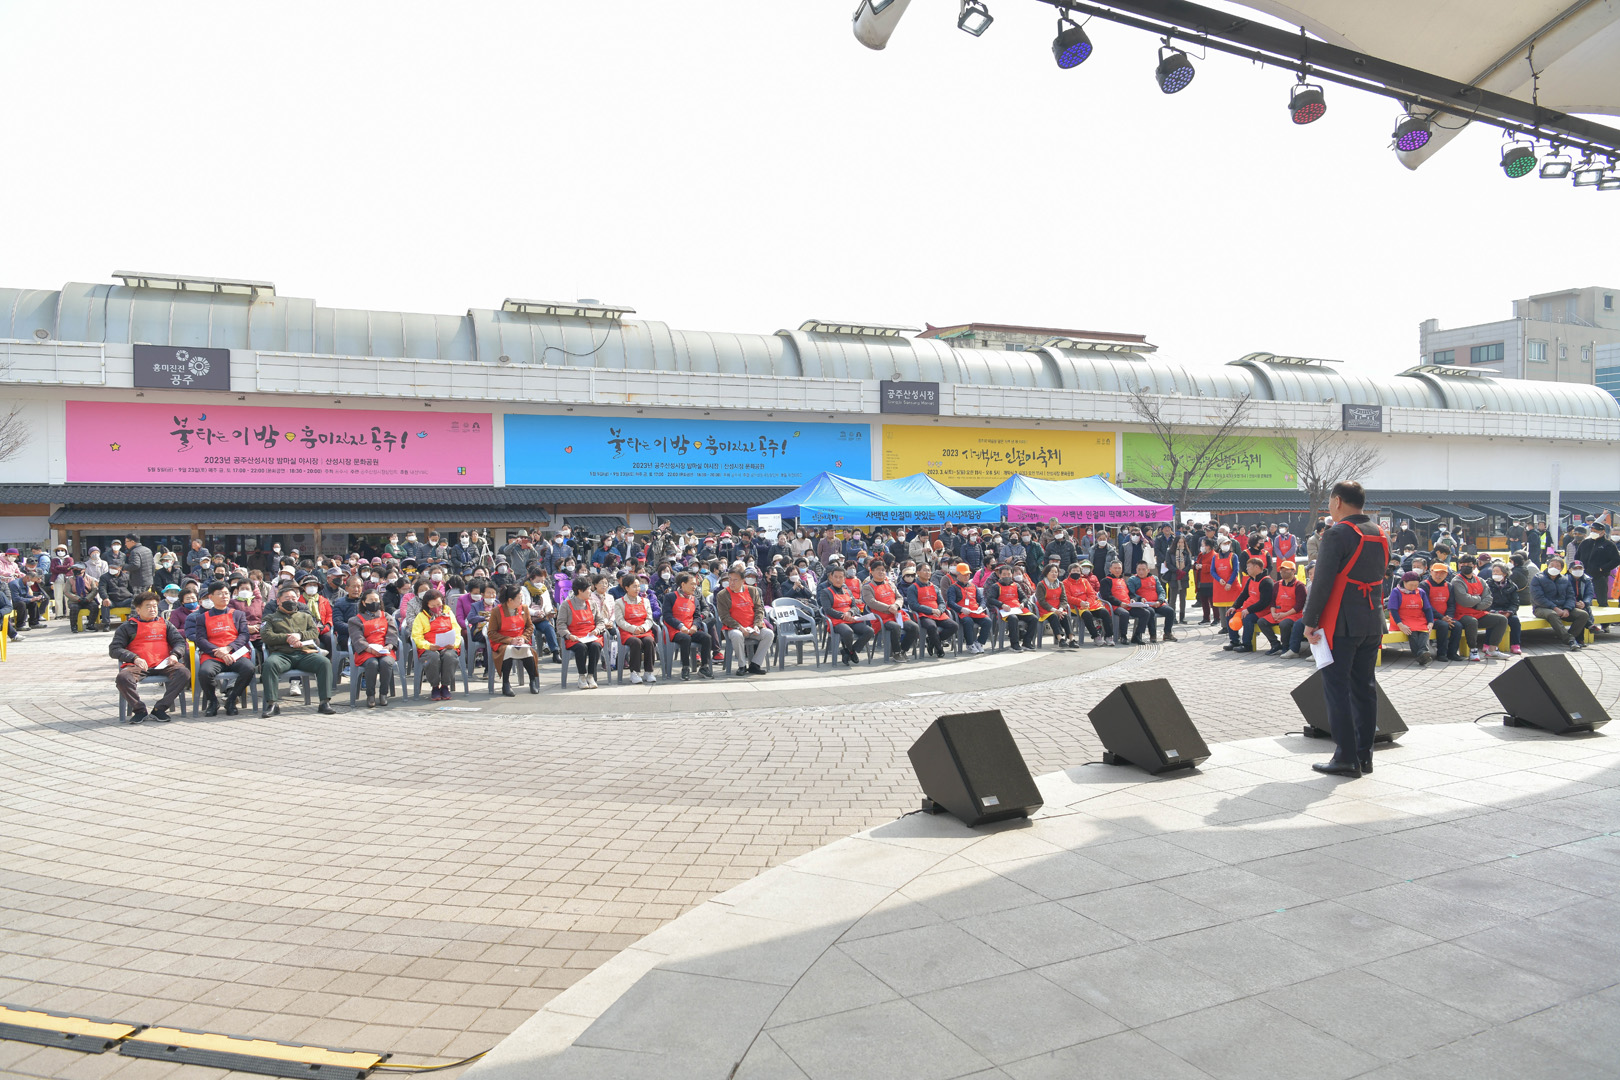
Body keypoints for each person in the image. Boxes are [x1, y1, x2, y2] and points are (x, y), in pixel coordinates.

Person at [1301, 481, 1391, 778]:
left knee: (1337, 691)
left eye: (1330, 501)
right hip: (1372, 619)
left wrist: (1310, 621)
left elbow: (1322, 582)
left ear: (1338, 501)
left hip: (1340, 622)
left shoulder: (1337, 533)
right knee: (1365, 689)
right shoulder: (1380, 533)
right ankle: (1365, 757)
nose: (1329, 506)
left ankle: (1346, 758)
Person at [109, 590, 190, 723]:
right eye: (148, 606)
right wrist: (134, 658)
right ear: (138, 610)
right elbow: (114, 649)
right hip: (138, 666)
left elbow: (179, 642)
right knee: (123, 678)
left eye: (154, 606)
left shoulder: (165, 624)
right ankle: (139, 710)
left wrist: (175, 654)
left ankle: (160, 709)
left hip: (164, 664)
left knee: (184, 673)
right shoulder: (128, 626)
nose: (152, 609)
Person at [261, 583, 337, 717]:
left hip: (304, 653)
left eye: (293, 598)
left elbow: (314, 632)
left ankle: (324, 702)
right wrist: (287, 638)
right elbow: (266, 636)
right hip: (282, 655)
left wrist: (300, 635)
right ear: (278, 601)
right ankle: (272, 704)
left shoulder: (305, 616)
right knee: (269, 664)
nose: (291, 601)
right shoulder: (270, 618)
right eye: (287, 598)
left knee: (324, 663)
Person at [188, 580, 255, 716]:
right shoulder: (202, 618)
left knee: (249, 669)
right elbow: (200, 640)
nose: (224, 596)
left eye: (226, 593)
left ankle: (231, 699)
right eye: (219, 593)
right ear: (211, 597)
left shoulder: (238, 614)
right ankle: (213, 701)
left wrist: (229, 648)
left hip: (235, 653)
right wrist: (219, 652)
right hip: (213, 655)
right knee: (205, 673)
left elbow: (244, 635)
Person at [717, 564, 774, 677]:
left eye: (735, 580)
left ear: (743, 581)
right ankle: (742, 665)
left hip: (752, 627)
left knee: (769, 634)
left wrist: (757, 625)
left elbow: (759, 609)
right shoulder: (722, 595)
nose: (731, 583)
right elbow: (724, 617)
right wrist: (740, 627)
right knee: (737, 635)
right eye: (730, 579)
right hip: (734, 628)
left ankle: (755, 664)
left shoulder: (752, 591)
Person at [347, 587, 398, 707]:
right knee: (372, 664)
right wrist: (370, 649)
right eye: (370, 600)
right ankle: (370, 695)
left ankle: (383, 693)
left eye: (376, 600)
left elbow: (392, 634)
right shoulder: (355, 620)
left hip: (385, 649)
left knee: (386, 663)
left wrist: (388, 647)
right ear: (364, 603)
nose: (374, 603)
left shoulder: (387, 616)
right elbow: (357, 638)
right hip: (366, 651)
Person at [1449, 556, 1507, 661]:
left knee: (1501, 619)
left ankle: (1492, 650)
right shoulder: (1457, 581)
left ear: (1475, 566)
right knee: (1472, 622)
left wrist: (1476, 605)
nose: (1465, 566)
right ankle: (1473, 650)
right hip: (1461, 615)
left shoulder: (1480, 580)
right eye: (1462, 564)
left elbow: (1488, 599)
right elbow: (1464, 600)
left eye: (1468, 564)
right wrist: (1479, 598)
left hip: (1479, 612)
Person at [487, 584, 540, 696]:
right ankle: (506, 683)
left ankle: (532, 680)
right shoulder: (497, 611)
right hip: (502, 642)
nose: (522, 600)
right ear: (510, 600)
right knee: (508, 650)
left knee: (527, 651)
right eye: (519, 598)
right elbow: (491, 633)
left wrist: (523, 638)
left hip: (520, 640)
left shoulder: (524, 608)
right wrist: (510, 640)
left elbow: (530, 627)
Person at [410, 589, 463, 700]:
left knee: (450, 656)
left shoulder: (448, 613)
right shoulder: (421, 617)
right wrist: (428, 646)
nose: (437, 607)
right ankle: (435, 686)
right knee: (433, 657)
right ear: (427, 605)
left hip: (448, 646)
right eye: (433, 605)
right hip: (429, 647)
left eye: (439, 604)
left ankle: (445, 686)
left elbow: (457, 631)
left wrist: (454, 643)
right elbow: (417, 637)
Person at [1530, 557, 1590, 651]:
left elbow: (1571, 596)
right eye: (1552, 565)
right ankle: (1569, 640)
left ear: (1561, 569)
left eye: (1557, 566)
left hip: (1562, 607)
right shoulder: (1538, 578)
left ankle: (1570, 637)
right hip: (1542, 607)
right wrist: (1555, 608)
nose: (1554, 567)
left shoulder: (1565, 579)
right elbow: (1538, 598)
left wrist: (1567, 609)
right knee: (1552, 614)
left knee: (1583, 614)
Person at [862, 562, 918, 662]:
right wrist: (889, 608)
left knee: (914, 627)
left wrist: (896, 605)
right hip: (882, 618)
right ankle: (896, 653)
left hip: (896, 614)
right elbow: (871, 602)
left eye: (883, 570)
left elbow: (899, 597)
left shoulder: (890, 584)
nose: (881, 572)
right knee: (895, 627)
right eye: (878, 569)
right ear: (872, 571)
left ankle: (903, 650)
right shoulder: (867, 587)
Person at [663, 572, 714, 680]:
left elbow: (697, 616)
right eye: (692, 584)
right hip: (675, 630)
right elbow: (667, 616)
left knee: (707, 637)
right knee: (685, 638)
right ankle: (685, 668)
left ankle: (704, 667)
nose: (694, 587)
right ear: (683, 584)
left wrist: (695, 626)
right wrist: (680, 626)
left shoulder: (695, 600)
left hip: (691, 629)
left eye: (695, 584)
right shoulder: (670, 597)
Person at [905, 563, 958, 658]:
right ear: (918, 573)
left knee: (954, 626)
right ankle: (939, 649)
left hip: (938, 614)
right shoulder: (912, 588)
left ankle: (932, 641)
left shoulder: (935, 587)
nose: (927, 572)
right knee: (932, 627)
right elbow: (913, 605)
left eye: (929, 570)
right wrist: (931, 610)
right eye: (925, 570)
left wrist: (940, 610)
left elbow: (942, 602)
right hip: (924, 615)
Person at [615, 573, 659, 685]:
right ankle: (634, 672)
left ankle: (648, 672)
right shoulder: (619, 602)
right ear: (626, 588)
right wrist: (633, 629)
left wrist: (643, 628)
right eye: (634, 586)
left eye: (638, 586)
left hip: (644, 631)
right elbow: (620, 621)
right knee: (636, 642)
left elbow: (649, 618)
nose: (637, 589)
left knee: (649, 641)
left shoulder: (645, 601)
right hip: (628, 632)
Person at [561, 577, 604, 688]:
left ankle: (591, 675)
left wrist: (597, 630)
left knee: (595, 646)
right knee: (581, 647)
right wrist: (569, 635)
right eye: (588, 589)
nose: (590, 592)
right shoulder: (566, 605)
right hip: (575, 637)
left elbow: (600, 621)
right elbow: (560, 624)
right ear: (580, 591)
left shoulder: (592, 604)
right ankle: (582, 676)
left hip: (591, 635)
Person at [1226, 557, 1275, 653]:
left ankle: (1247, 645)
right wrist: (1234, 606)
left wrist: (1249, 610)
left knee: (1247, 618)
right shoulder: (1251, 580)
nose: (1246, 569)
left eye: (1249, 566)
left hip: (1262, 610)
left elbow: (1264, 602)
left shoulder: (1266, 582)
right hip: (1249, 608)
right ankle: (1234, 641)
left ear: (1257, 567)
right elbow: (1243, 595)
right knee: (1230, 614)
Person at [1387, 571, 1435, 665]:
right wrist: (1400, 625)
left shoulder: (1421, 592)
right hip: (1401, 619)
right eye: (1411, 585)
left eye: (1416, 585)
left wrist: (1430, 622)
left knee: (1424, 631)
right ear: (1404, 582)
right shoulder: (1396, 592)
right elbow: (1393, 610)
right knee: (1412, 632)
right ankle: (1422, 653)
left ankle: (1421, 654)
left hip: (1418, 618)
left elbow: (1427, 608)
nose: (1413, 587)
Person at [987, 563, 1036, 651]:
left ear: (1012, 575)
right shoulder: (996, 586)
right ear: (999, 575)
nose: (1007, 576)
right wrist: (1002, 605)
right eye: (1004, 574)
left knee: (1034, 618)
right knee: (1013, 618)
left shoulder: (1016, 585)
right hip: (1005, 611)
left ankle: (1027, 642)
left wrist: (1023, 603)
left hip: (1018, 609)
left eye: (1009, 574)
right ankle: (1014, 644)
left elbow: (1024, 597)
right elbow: (990, 599)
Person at [1127, 560, 1177, 643]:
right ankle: (1153, 634)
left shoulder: (1154, 578)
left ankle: (1167, 633)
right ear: (1136, 570)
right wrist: (1140, 598)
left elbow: (1161, 591)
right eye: (1139, 569)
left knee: (1170, 611)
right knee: (1151, 612)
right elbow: (1131, 593)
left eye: (1143, 569)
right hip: (1144, 605)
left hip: (1157, 603)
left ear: (1148, 570)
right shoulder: (1132, 579)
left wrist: (1160, 601)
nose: (1141, 572)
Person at [1267, 561, 1308, 657]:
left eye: (1286, 570)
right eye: (1282, 570)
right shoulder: (1277, 584)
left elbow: (1299, 605)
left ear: (1293, 571)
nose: (1283, 572)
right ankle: (1275, 644)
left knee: (1284, 624)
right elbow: (1272, 601)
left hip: (1294, 614)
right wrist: (1273, 613)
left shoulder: (1299, 586)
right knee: (1261, 622)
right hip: (1278, 612)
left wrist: (1285, 614)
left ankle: (1285, 647)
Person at [1423, 561, 1460, 662]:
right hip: (1430, 617)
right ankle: (1441, 653)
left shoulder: (1449, 586)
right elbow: (1426, 606)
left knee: (1457, 626)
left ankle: (1452, 653)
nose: (1439, 575)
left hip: (1446, 617)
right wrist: (1441, 617)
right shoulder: (1424, 585)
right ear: (1431, 572)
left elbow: (1451, 604)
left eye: (1442, 573)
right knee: (1443, 626)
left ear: (1446, 574)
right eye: (1436, 572)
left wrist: (1449, 617)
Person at [1486, 560, 1523, 656]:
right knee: (1491, 620)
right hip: (1492, 610)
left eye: (1497, 572)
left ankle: (1515, 645)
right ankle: (1487, 644)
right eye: (1493, 571)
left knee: (1515, 621)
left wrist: (1509, 612)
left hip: (1507, 611)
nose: (1495, 574)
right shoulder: (1487, 584)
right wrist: (1493, 611)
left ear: (1505, 573)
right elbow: (1485, 601)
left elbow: (1515, 602)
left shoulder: (1512, 586)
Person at [1033, 563, 1074, 648]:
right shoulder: (1041, 584)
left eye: (1056, 572)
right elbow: (1041, 601)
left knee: (1066, 616)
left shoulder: (1060, 584)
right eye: (1052, 572)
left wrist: (1061, 609)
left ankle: (1072, 639)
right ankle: (1060, 639)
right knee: (1054, 616)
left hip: (1058, 608)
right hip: (1045, 609)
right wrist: (1054, 610)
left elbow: (1064, 599)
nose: (1054, 574)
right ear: (1046, 573)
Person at [67, 563, 102, 632]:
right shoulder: (70, 580)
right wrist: (77, 598)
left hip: (88, 599)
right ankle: (74, 626)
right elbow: (67, 592)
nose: (75, 570)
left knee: (94, 606)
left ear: (84, 570)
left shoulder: (90, 579)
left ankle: (90, 624)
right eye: (74, 569)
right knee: (74, 608)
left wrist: (87, 598)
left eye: (78, 569)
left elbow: (94, 590)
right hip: (75, 600)